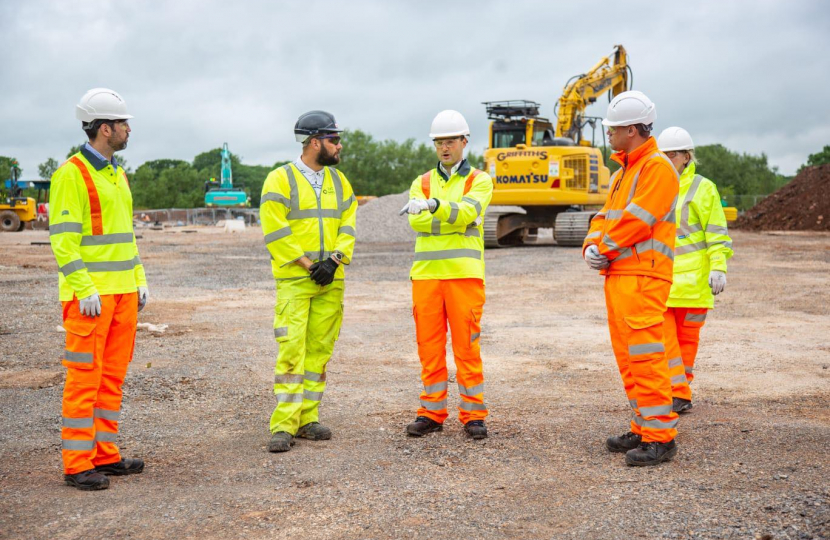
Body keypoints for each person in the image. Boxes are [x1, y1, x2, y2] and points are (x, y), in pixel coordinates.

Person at [49, 88, 149, 490]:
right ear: (104, 128)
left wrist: (139, 278)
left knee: (112, 377)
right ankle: (76, 464)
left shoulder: (117, 174)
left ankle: (104, 456)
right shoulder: (70, 173)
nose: (128, 129)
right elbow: (63, 240)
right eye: (122, 123)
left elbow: (125, 236)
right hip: (89, 300)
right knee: (84, 379)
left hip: (123, 294)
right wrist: (82, 287)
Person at [582, 91, 680, 466]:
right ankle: (643, 426)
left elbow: (638, 220)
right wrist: (592, 245)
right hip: (620, 274)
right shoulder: (624, 172)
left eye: (613, 128)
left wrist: (603, 247)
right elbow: (603, 217)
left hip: (643, 275)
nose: (608, 134)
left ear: (633, 130)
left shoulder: (656, 167)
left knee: (646, 357)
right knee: (629, 358)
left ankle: (660, 436)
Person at [260, 111, 357, 452]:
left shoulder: (339, 182)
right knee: (291, 352)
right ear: (315, 142)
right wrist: (307, 264)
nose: (338, 145)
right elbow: (275, 230)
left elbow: (348, 224)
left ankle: (307, 419)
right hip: (295, 280)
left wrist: (334, 261)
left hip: (331, 280)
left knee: (319, 352)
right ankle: (284, 424)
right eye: (333, 139)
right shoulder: (279, 180)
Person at [399, 110, 493, 440]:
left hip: (464, 277)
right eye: (439, 141)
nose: (444, 147)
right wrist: (453, 219)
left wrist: (435, 207)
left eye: (450, 140)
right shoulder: (420, 182)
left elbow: (470, 211)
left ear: (465, 141)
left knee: (467, 348)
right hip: (426, 276)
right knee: (429, 348)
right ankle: (431, 412)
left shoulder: (479, 180)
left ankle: (473, 415)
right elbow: (417, 222)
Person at [656, 127, 734, 413]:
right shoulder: (655, 183)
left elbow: (717, 234)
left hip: (695, 282)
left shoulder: (703, 188)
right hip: (662, 280)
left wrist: (719, 268)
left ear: (687, 156)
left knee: (686, 342)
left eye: (672, 154)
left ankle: (680, 391)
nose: (666, 159)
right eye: (662, 154)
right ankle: (676, 391)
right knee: (663, 339)